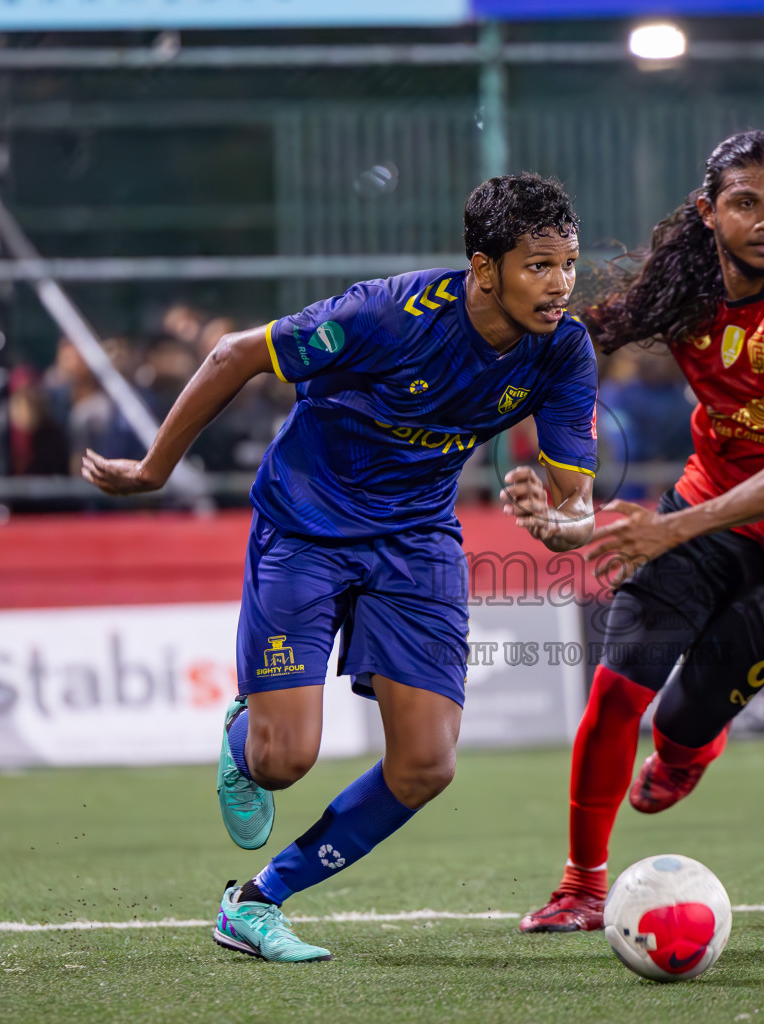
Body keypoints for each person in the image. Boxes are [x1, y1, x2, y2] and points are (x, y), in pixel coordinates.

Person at [82, 173, 598, 963]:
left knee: (427, 764)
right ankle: (245, 736)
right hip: (306, 524)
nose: (560, 284)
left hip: (417, 538)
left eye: (568, 263)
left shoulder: (563, 349)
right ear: (483, 268)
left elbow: (577, 504)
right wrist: (154, 469)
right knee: (282, 763)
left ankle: (256, 901)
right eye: (538, 265)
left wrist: (559, 526)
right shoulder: (386, 315)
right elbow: (233, 355)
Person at [520, 130, 764, 932]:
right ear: (709, 212)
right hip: (705, 504)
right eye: (747, 202)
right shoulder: (681, 288)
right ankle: (580, 888)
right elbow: (568, 342)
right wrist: (553, 475)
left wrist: (666, 533)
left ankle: (688, 751)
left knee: (681, 722)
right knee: (615, 693)